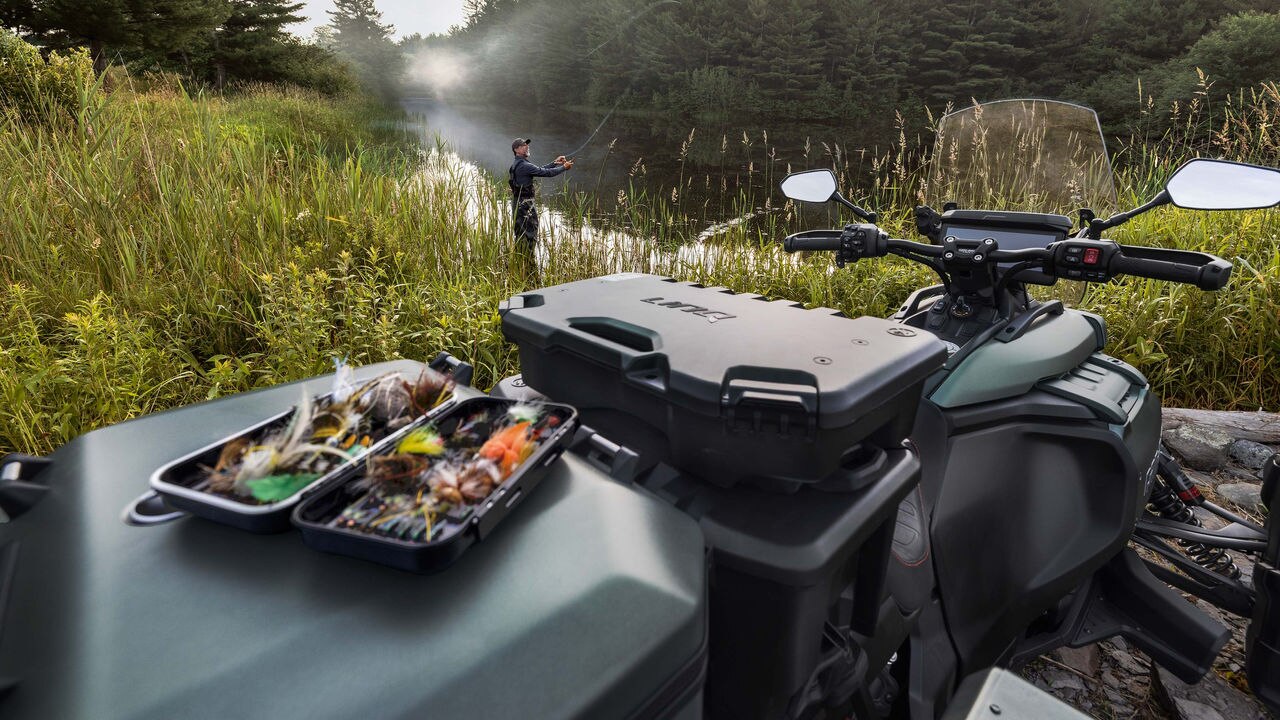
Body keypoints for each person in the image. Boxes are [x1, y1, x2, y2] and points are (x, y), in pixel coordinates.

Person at [508, 138, 573, 247]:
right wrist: (564, 168)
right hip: (525, 205)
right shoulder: (524, 165)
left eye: (527, 145)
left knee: (521, 235)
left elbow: (539, 170)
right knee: (529, 234)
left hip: (518, 203)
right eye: (523, 145)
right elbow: (546, 173)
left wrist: (554, 163)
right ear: (516, 150)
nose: (527, 146)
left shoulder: (518, 164)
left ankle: (521, 260)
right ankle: (528, 260)